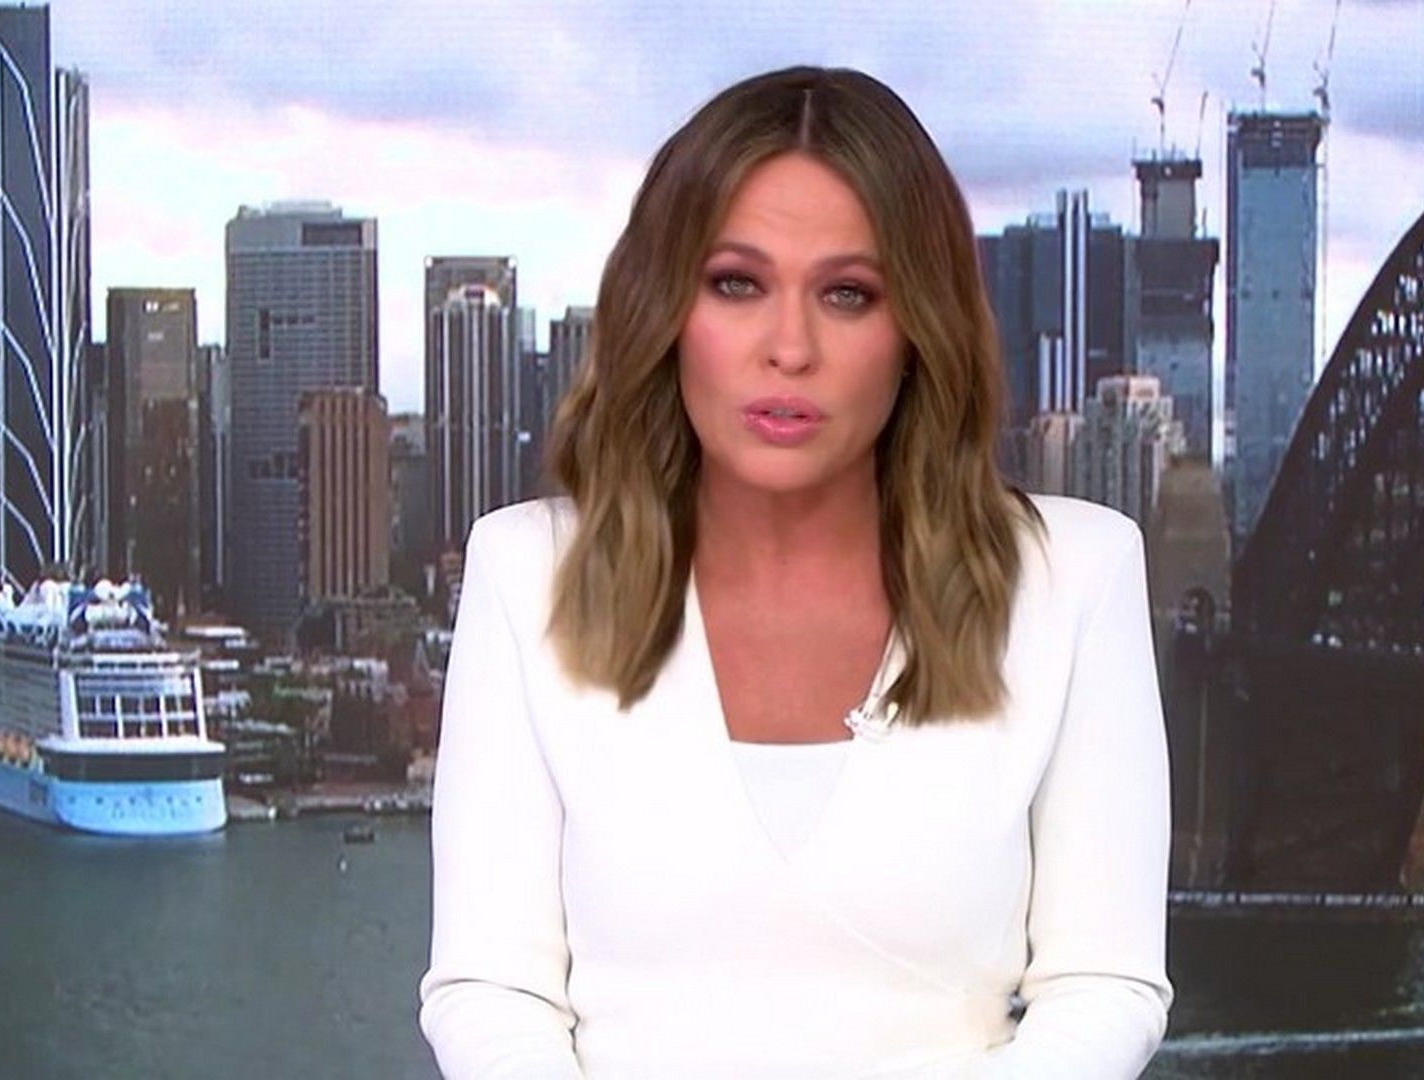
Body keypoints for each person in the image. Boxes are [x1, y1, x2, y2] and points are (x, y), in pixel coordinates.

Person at [419, 65, 1172, 1078]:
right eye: (737, 283)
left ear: (917, 330)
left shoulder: (1075, 579)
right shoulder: (528, 574)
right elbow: (490, 991)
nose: (790, 348)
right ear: (664, 309)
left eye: (847, 294)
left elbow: (1104, 986)